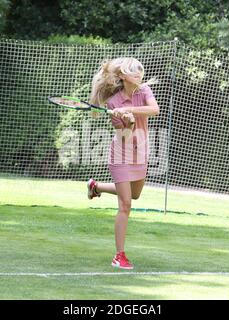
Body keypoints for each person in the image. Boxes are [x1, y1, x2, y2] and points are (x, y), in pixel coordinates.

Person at [87, 57, 159, 270]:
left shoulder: (144, 91)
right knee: (126, 204)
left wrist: (131, 113)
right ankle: (119, 255)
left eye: (139, 69)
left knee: (135, 195)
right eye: (132, 71)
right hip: (121, 154)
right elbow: (125, 136)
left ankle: (96, 186)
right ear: (122, 76)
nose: (138, 73)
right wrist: (126, 122)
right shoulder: (113, 103)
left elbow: (154, 110)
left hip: (142, 152)